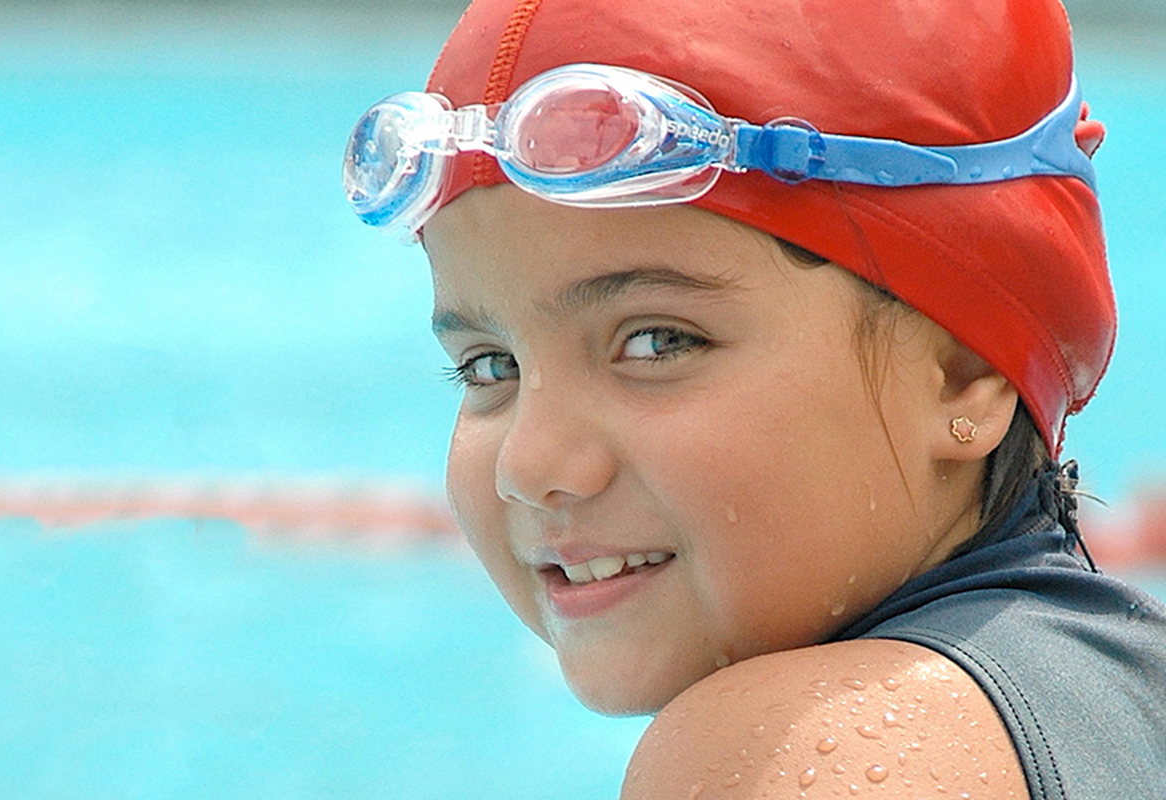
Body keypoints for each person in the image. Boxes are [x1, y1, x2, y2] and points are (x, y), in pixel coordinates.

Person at [342, 0, 1166, 796]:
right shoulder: (1128, 692)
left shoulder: (811, 747)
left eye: (658, 342)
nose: (531, 463)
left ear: (960, 370)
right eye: (490, 368)